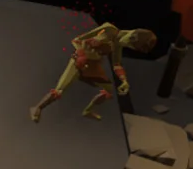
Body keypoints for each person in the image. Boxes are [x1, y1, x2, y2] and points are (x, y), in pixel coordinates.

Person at [30, 23, 158, 122]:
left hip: (93, 65)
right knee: (59, 90)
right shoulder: (109, 29)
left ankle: (87, 111)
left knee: (109, 90)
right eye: (129, 44)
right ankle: (38, 107)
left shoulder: (118, 45)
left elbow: (117, 64)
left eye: (131, 47)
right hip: (79, 60)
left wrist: (124, 80)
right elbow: (77, 40)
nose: (127, 46)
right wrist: (81, 55)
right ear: (131, 35)